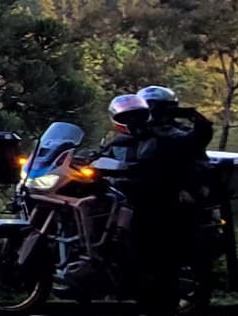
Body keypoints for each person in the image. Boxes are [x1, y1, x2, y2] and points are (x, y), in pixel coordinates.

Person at [101, 94, 212, 316]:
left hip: (160, 207)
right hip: (128, 204)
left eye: (138, 114)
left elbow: (197, 142)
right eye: (127, 116)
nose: (133, 120)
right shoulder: (119, 141)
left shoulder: (168, 136)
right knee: (138, 257)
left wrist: (195, 117)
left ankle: (159, 304)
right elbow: (102, 159)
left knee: (159, 262)